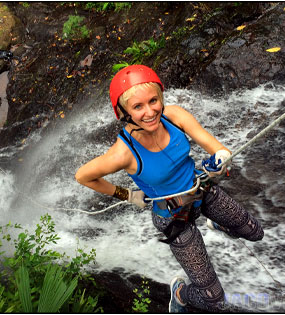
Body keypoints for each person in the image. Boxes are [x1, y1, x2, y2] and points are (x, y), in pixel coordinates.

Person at [75, 65, 264, 313]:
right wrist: (128, 195)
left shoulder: (173, 116)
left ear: (161, 98)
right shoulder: (123, 152)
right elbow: (83, 176)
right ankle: (181, 294)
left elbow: (213, 145)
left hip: (202, 191)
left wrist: (221, 158)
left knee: (254, 232)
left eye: (153, 101)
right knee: (214, 301)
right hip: (174, 218)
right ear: (123, 112)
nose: (150, 111)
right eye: (138, 106)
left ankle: (219, 223)